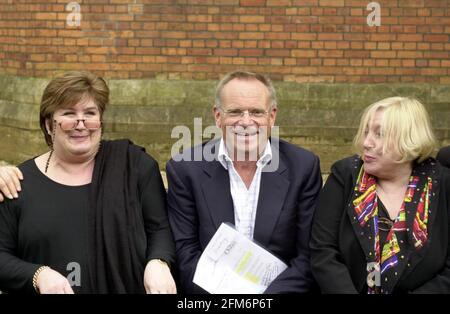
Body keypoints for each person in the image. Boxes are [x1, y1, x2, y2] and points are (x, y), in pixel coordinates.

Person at [0, 71, 176, 294]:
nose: (81, 123)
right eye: (69, 113)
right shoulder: (17, 183)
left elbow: (160, 228)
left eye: (90, 113)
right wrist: (37, 275)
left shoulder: (136, 167)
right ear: (48, 124)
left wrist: (159, 262)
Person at [166, 71, 322, 293]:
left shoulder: (303, 167)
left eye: (257, 112)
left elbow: (307, 256)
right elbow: (186, 253)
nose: (246, 122)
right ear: (218, 116)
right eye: (235, 112)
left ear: (272, 116)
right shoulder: (185, 169)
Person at [310, 97, 450, 294]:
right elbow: (323, 252)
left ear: (408, 139)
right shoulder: (345, 176)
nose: (366, 143)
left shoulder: (442, 184)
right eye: (366, 132)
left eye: (379, 134)